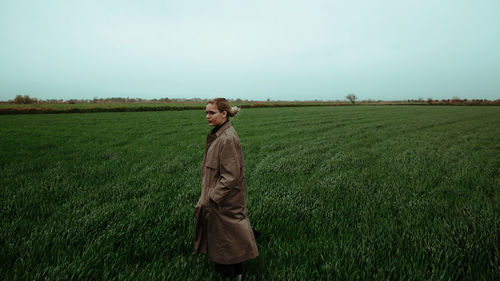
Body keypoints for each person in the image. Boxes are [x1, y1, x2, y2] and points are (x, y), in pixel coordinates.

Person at [193, 98, 258, 280]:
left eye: (211, 113)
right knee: (232, 245)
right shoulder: (220, 135)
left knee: (223, 250)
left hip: (222, 205)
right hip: (224, 203)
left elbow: (230, 175)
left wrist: (212, 198)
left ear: (224, 113)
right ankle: (237, 276)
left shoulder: (226, 138)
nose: (207, 116)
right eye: (206, 112)